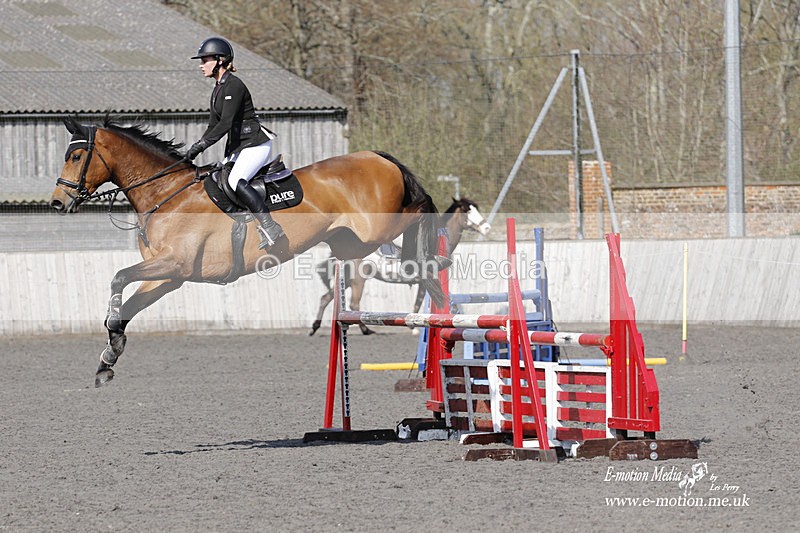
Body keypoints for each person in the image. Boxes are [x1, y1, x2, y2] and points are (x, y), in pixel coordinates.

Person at [186, 37, 284, 249]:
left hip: (255, 143)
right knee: (216, 179)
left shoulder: (234, 85)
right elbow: (213, 125)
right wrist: (194, 149)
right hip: (240, 146)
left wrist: (202, 146)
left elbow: (226, 123)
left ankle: (270, 226)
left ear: (220, 60)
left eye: (205, 60)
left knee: (235, 180)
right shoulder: (217, 89)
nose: (201, 65)